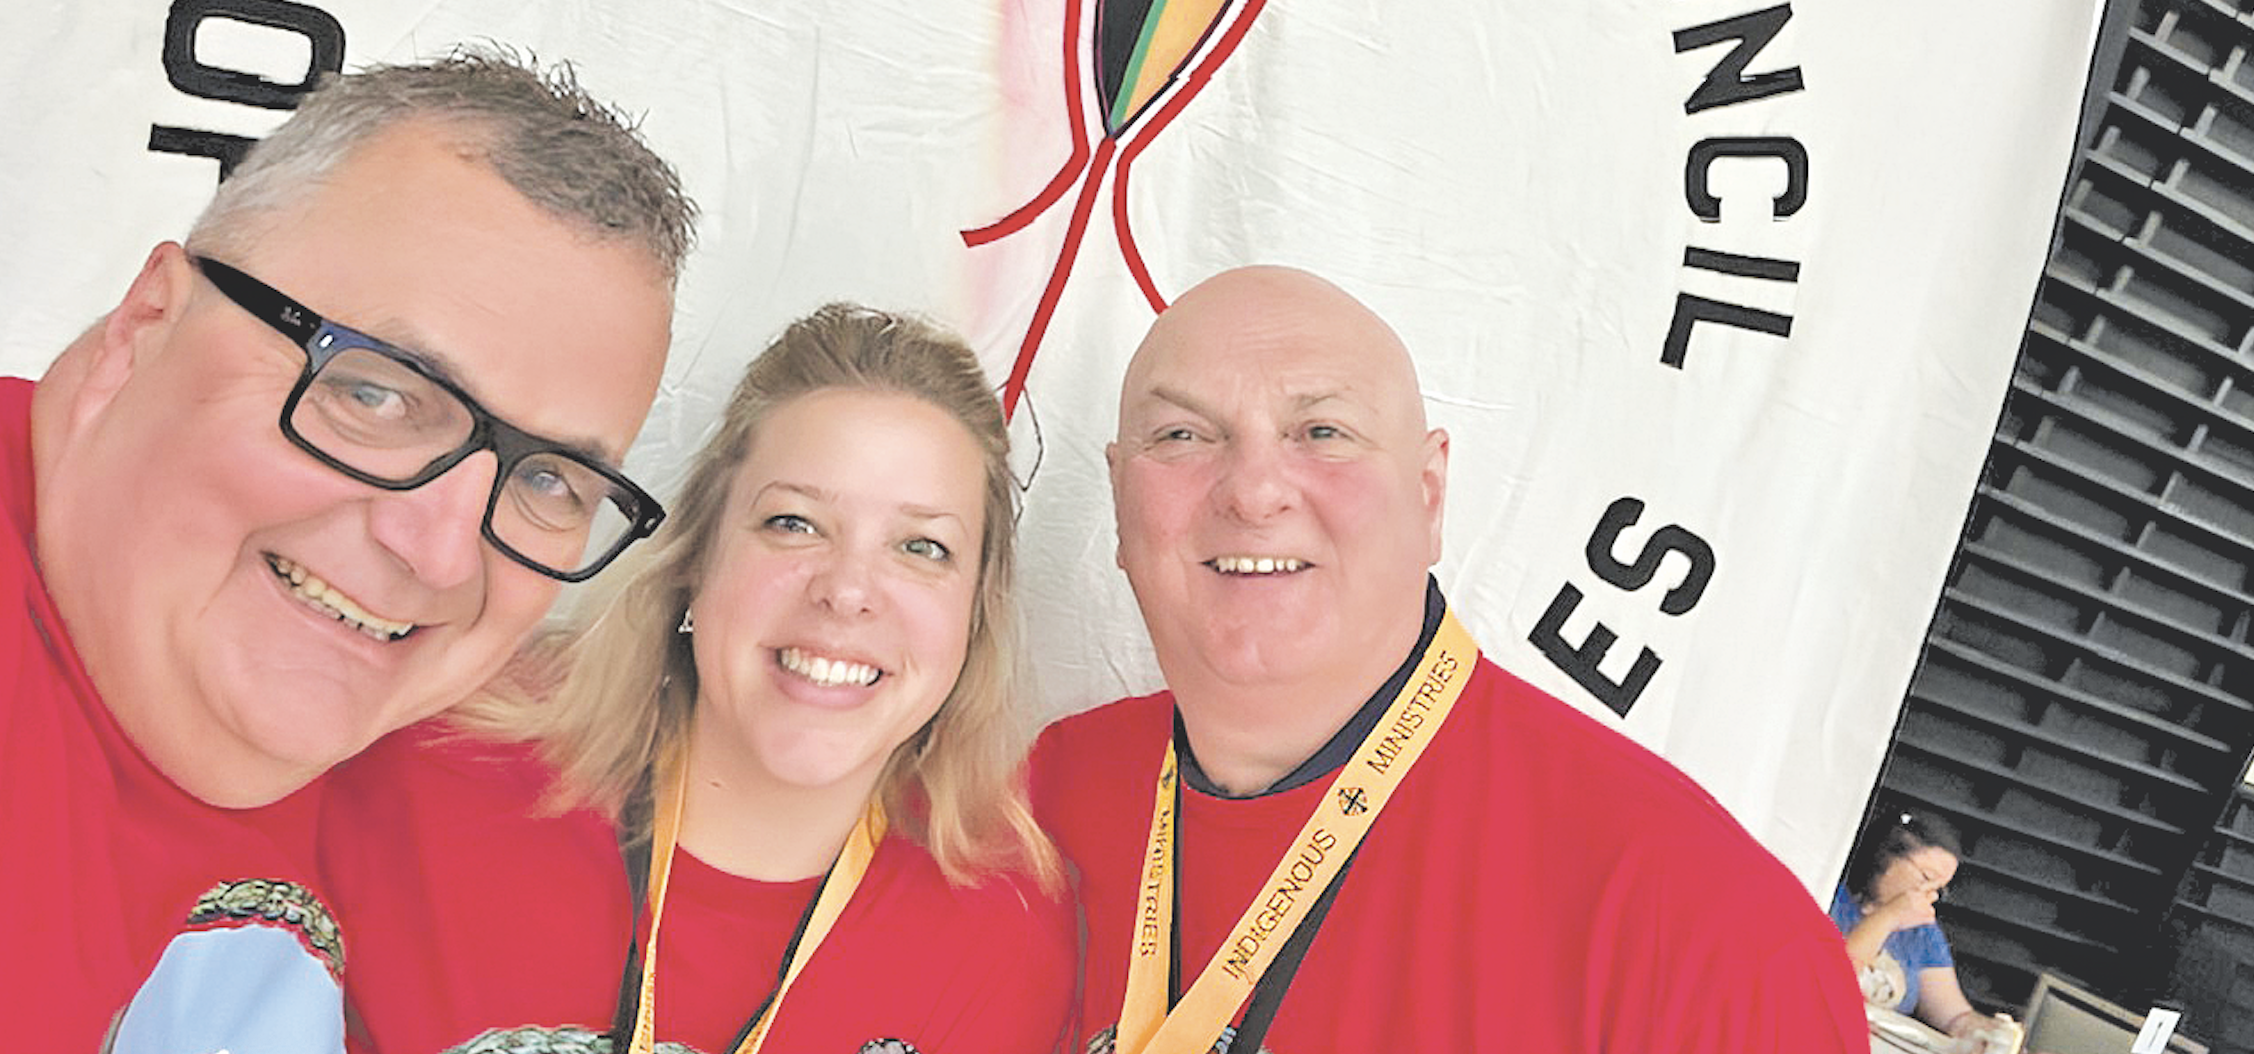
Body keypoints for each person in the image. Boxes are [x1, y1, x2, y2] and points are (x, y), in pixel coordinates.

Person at [6, 47, 693, 1053]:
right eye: (373, 391)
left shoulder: (440, 794)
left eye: (548, 478)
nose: (443, 552)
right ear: (145, 324)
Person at [1030, 263, 1868, 1053]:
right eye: (1181, 435)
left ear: (1429, 494)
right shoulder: (1030, 806)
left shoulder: (1705, 937)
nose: (1252, 491)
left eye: (1322, 431)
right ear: (1118, 495)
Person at [322, 302, 1075, 1054]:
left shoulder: (1004, 940)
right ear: (695, 562)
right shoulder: (423, 772)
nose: (847, 591)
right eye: (794, 523)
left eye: (922, 547)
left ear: (975, 621)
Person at [1833, 808, 2004, 1039]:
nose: (1930, 896)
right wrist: (1888, 917)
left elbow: (1955, 1017)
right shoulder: (1830, 897)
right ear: (1885, 856)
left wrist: (1994, 1036)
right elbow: (1829, 981)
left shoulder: (1922, 933)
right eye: (1926, 878)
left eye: (1939, 889)